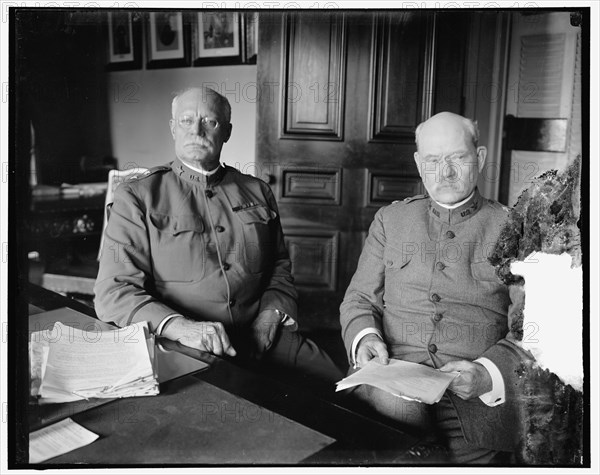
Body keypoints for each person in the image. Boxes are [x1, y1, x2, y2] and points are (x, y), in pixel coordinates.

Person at [94, 86, 342, 386]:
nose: (196, 130)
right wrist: (181, 328)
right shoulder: (138, 196)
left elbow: (279, 269)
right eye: (186, 121)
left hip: (262, 334)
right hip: (183, 342)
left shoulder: (257, 191)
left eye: (209, 122)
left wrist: (271, 315)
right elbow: (114, 291)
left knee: (344, 391)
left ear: (226, 131)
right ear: (173, 128)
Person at [339, 112, 531, 463]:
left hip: (475, 402)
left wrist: (488, 375)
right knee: (400, 427)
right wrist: (366, 338)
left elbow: (529, 328)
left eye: (457, 157)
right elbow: (359, 299)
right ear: (418, 164)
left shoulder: (513, 228)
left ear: (481, 158)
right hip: (394, 385)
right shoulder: (391, 220)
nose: (445, 172)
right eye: (433, 161)